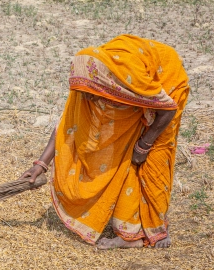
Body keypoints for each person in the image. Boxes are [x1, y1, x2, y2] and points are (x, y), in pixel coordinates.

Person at [21, 34, 189, 249]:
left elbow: (168, 109)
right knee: (123, 156)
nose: (87, 99)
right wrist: (40, 165)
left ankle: (156, 227)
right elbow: (67, 125)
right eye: (83, 94)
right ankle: (130, 234)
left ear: (105, 83)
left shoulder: (125, 78)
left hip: (165, 80)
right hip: (132, 89)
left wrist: (144, 144)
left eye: (91, 94)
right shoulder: (87, 79)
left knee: (154, 156)